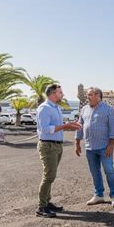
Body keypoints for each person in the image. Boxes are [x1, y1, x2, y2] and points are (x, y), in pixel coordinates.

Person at [36, 84, 81, 218]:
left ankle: (47, 202)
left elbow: (57, 127)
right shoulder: (45, 108)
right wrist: (65, 126)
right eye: (60, 92)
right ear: (52, 94)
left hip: (56, 146)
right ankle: (41, 207)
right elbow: (45, 129)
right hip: (48, 146)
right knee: (49, 176)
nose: (63, 94)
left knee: (51, 176)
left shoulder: (56, 108)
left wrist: (69, 125)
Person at [75, 87, 114, 207]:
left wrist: (111, 145)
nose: (87, 97)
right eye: (87, 95)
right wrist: (77, 143)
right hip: (89, 148)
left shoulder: (108, 110)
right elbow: (80, 126)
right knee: (95, 172)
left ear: (98, 96)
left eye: (90, 95)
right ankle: (99, 195)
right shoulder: (84, 109)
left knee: (109, 171)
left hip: (104, 147)